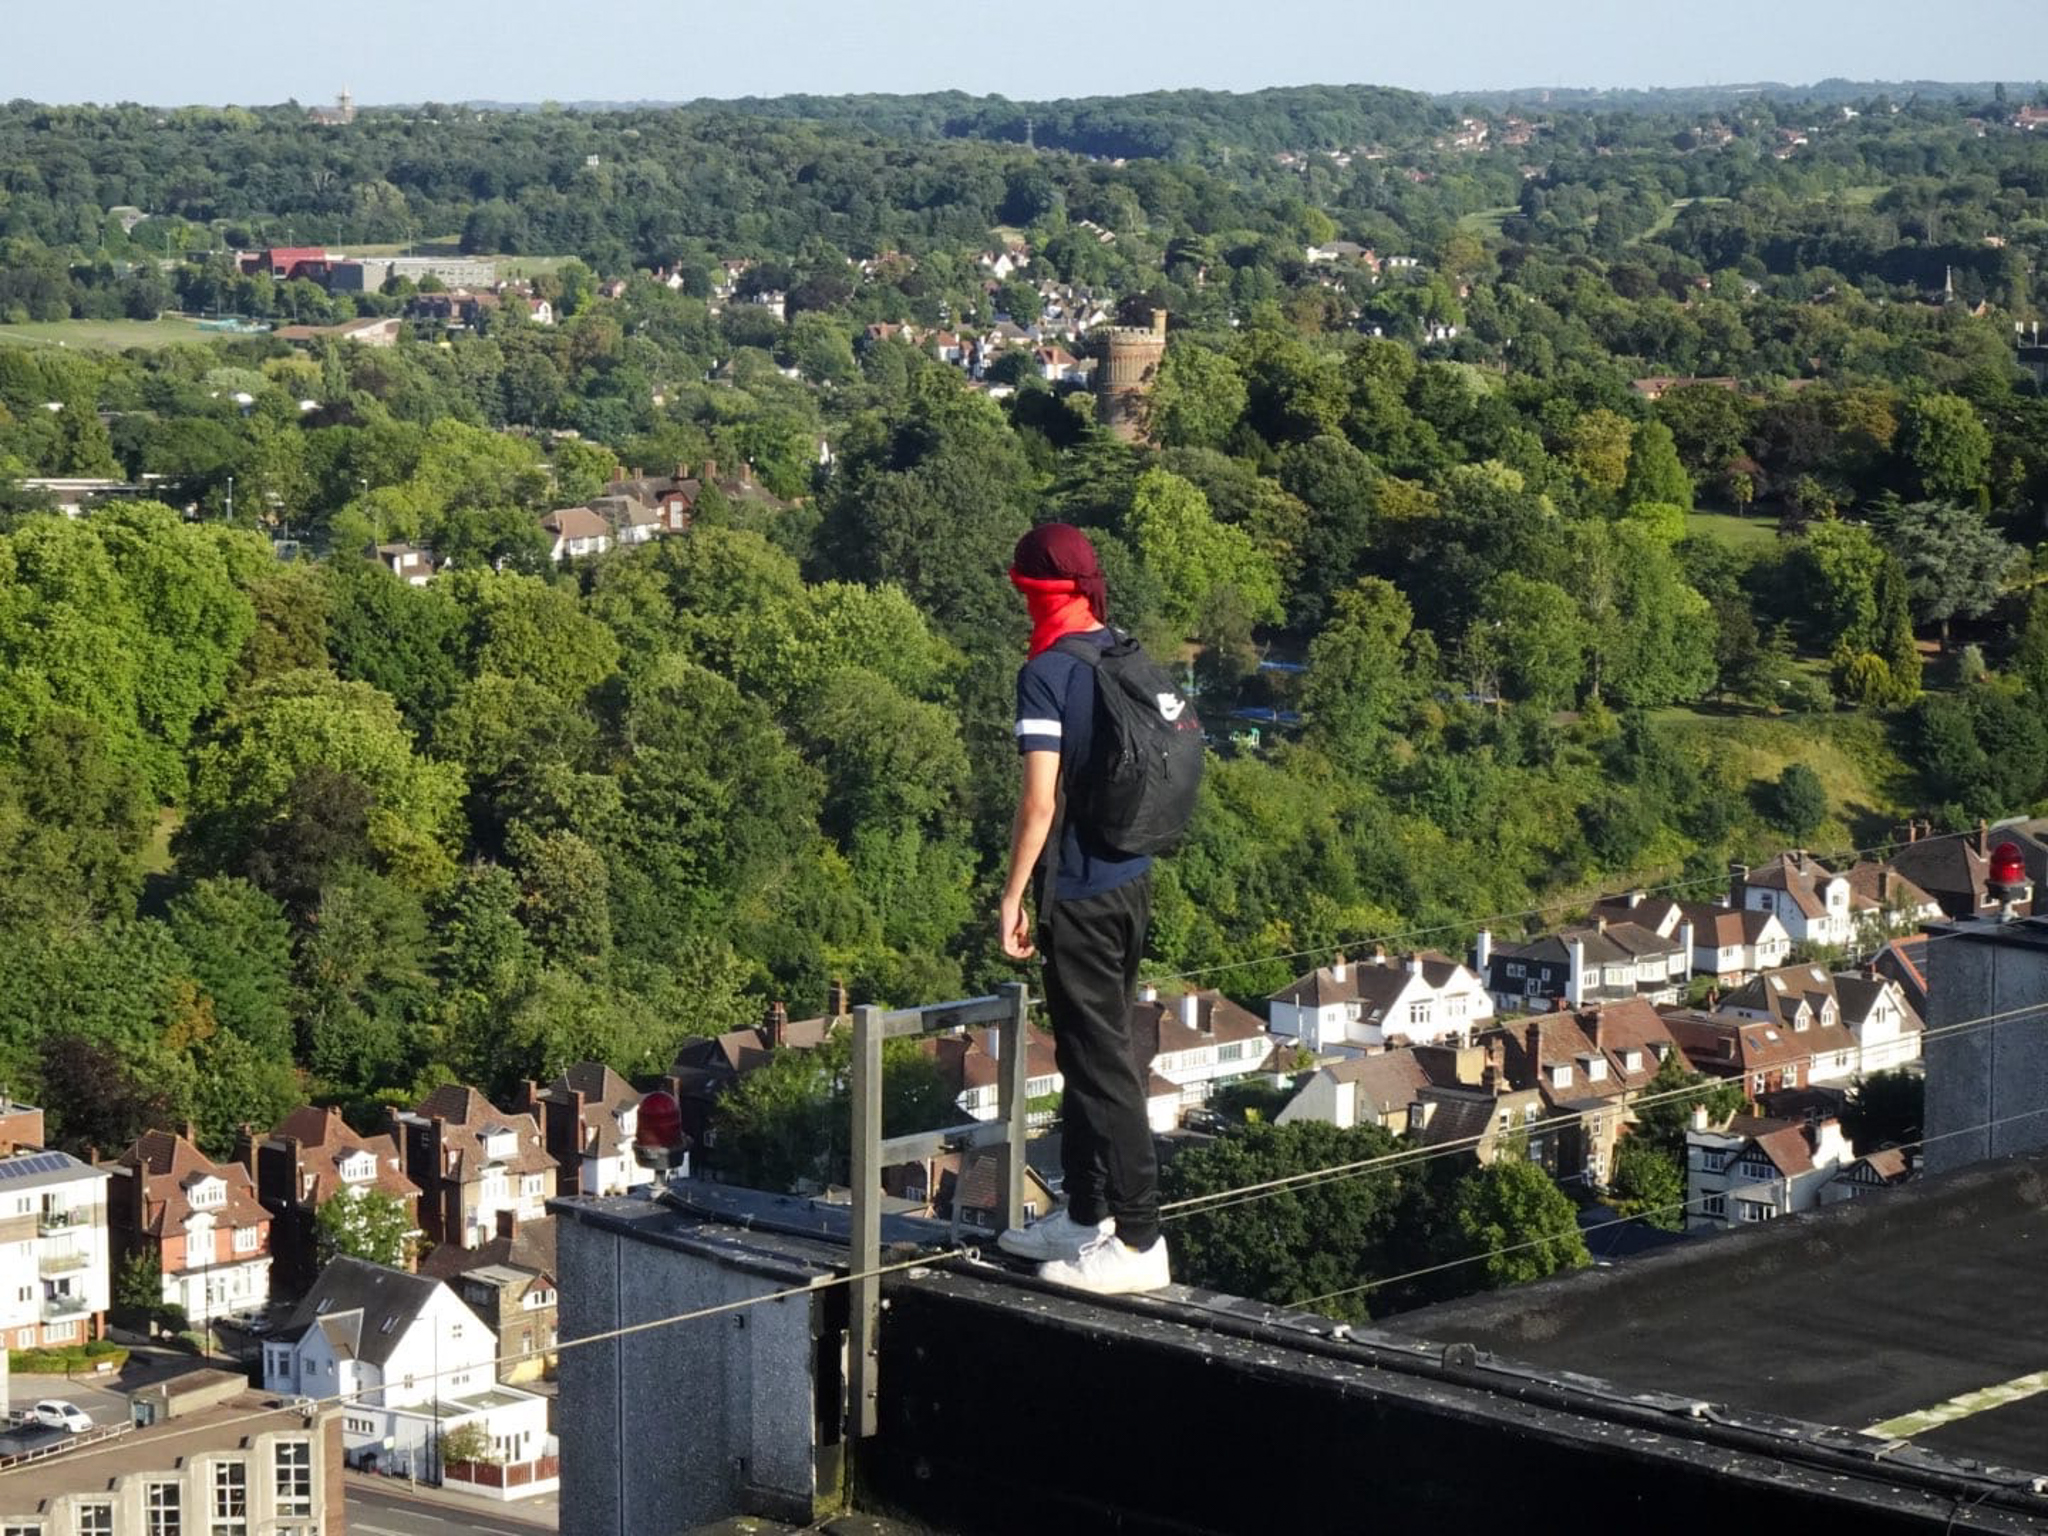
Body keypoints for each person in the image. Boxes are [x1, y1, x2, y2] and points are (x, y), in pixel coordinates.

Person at [996, 523, 1170, 1295]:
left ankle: (1138, 1241)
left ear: (1034, 590)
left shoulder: (1047, 672)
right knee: (1083, 1055)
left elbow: (1038, 805)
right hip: (1132, 881)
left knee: (1104, 1069)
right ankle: (1085, 1212)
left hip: (1079, 895)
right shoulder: (1123, 650)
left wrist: (1012, 897)